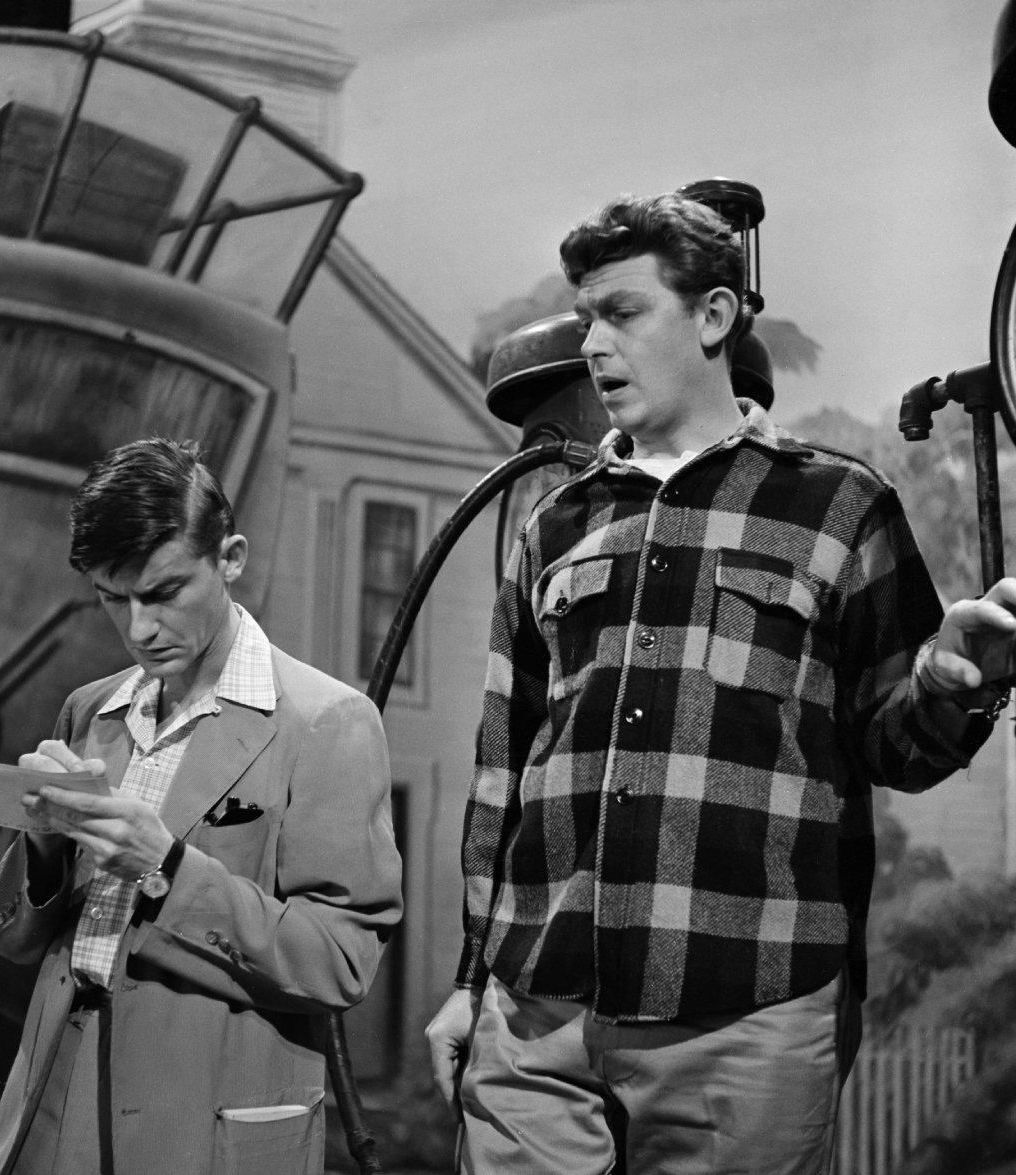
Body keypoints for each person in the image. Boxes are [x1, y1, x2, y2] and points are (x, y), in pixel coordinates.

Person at [425, 192, 1016, 1175]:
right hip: (536, 1013)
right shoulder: (555, 523)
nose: (594, 343)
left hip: (743, 1019)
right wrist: (468, 978)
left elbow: (895, 745)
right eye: (585, 318)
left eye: (621, 312)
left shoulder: (837, 506)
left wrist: (955, 682)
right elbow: (503, 769)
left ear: (712, 315)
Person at [0, 437, 403, 1175]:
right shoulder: (91, 710)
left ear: (229, 558)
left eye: (164, 592)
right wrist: (43, 847)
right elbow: (8, 939)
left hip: (199, 1113)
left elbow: (339, 964)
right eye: (113, 598)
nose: (139, 628)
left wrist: (167, 867)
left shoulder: (326, 721)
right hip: (52, 1099)